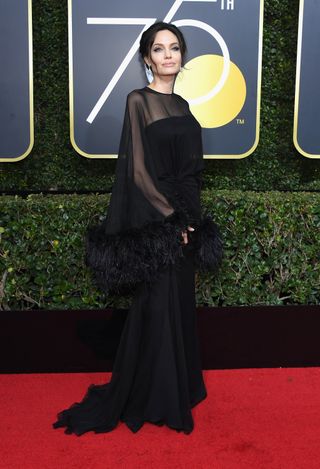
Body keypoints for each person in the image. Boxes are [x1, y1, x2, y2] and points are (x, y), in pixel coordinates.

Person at [53, 21, 222, 436]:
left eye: (175, 48)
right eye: (159, 49)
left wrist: (191, 219)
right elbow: (139, 172)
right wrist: (170, 219)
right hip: (157, 217)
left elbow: (192, 169)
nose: (168, 55)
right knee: (157, 303)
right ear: (147, 58)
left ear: (182, 55)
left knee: (178, 300)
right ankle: (153, 395)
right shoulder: (138, 100)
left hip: (186, 213)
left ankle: (179, 387)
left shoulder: (183, 105)